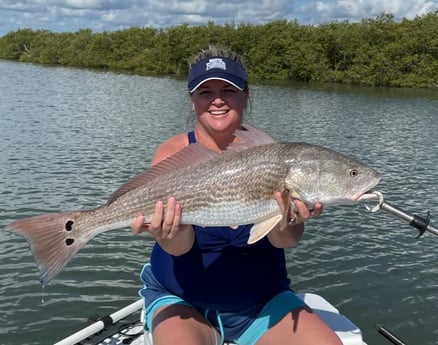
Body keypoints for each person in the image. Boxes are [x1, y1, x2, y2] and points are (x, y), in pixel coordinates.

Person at [131, 46, 342, 345]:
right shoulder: (173, 154)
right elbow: (178, 249)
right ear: (192, 101)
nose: (217, 99)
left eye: (228, 90)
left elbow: (286, 241)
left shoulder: (273, 155)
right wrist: (168, 232)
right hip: (183, 300)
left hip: (262, 302)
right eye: (205, 92)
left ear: (246, 95)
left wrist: (291, 219)